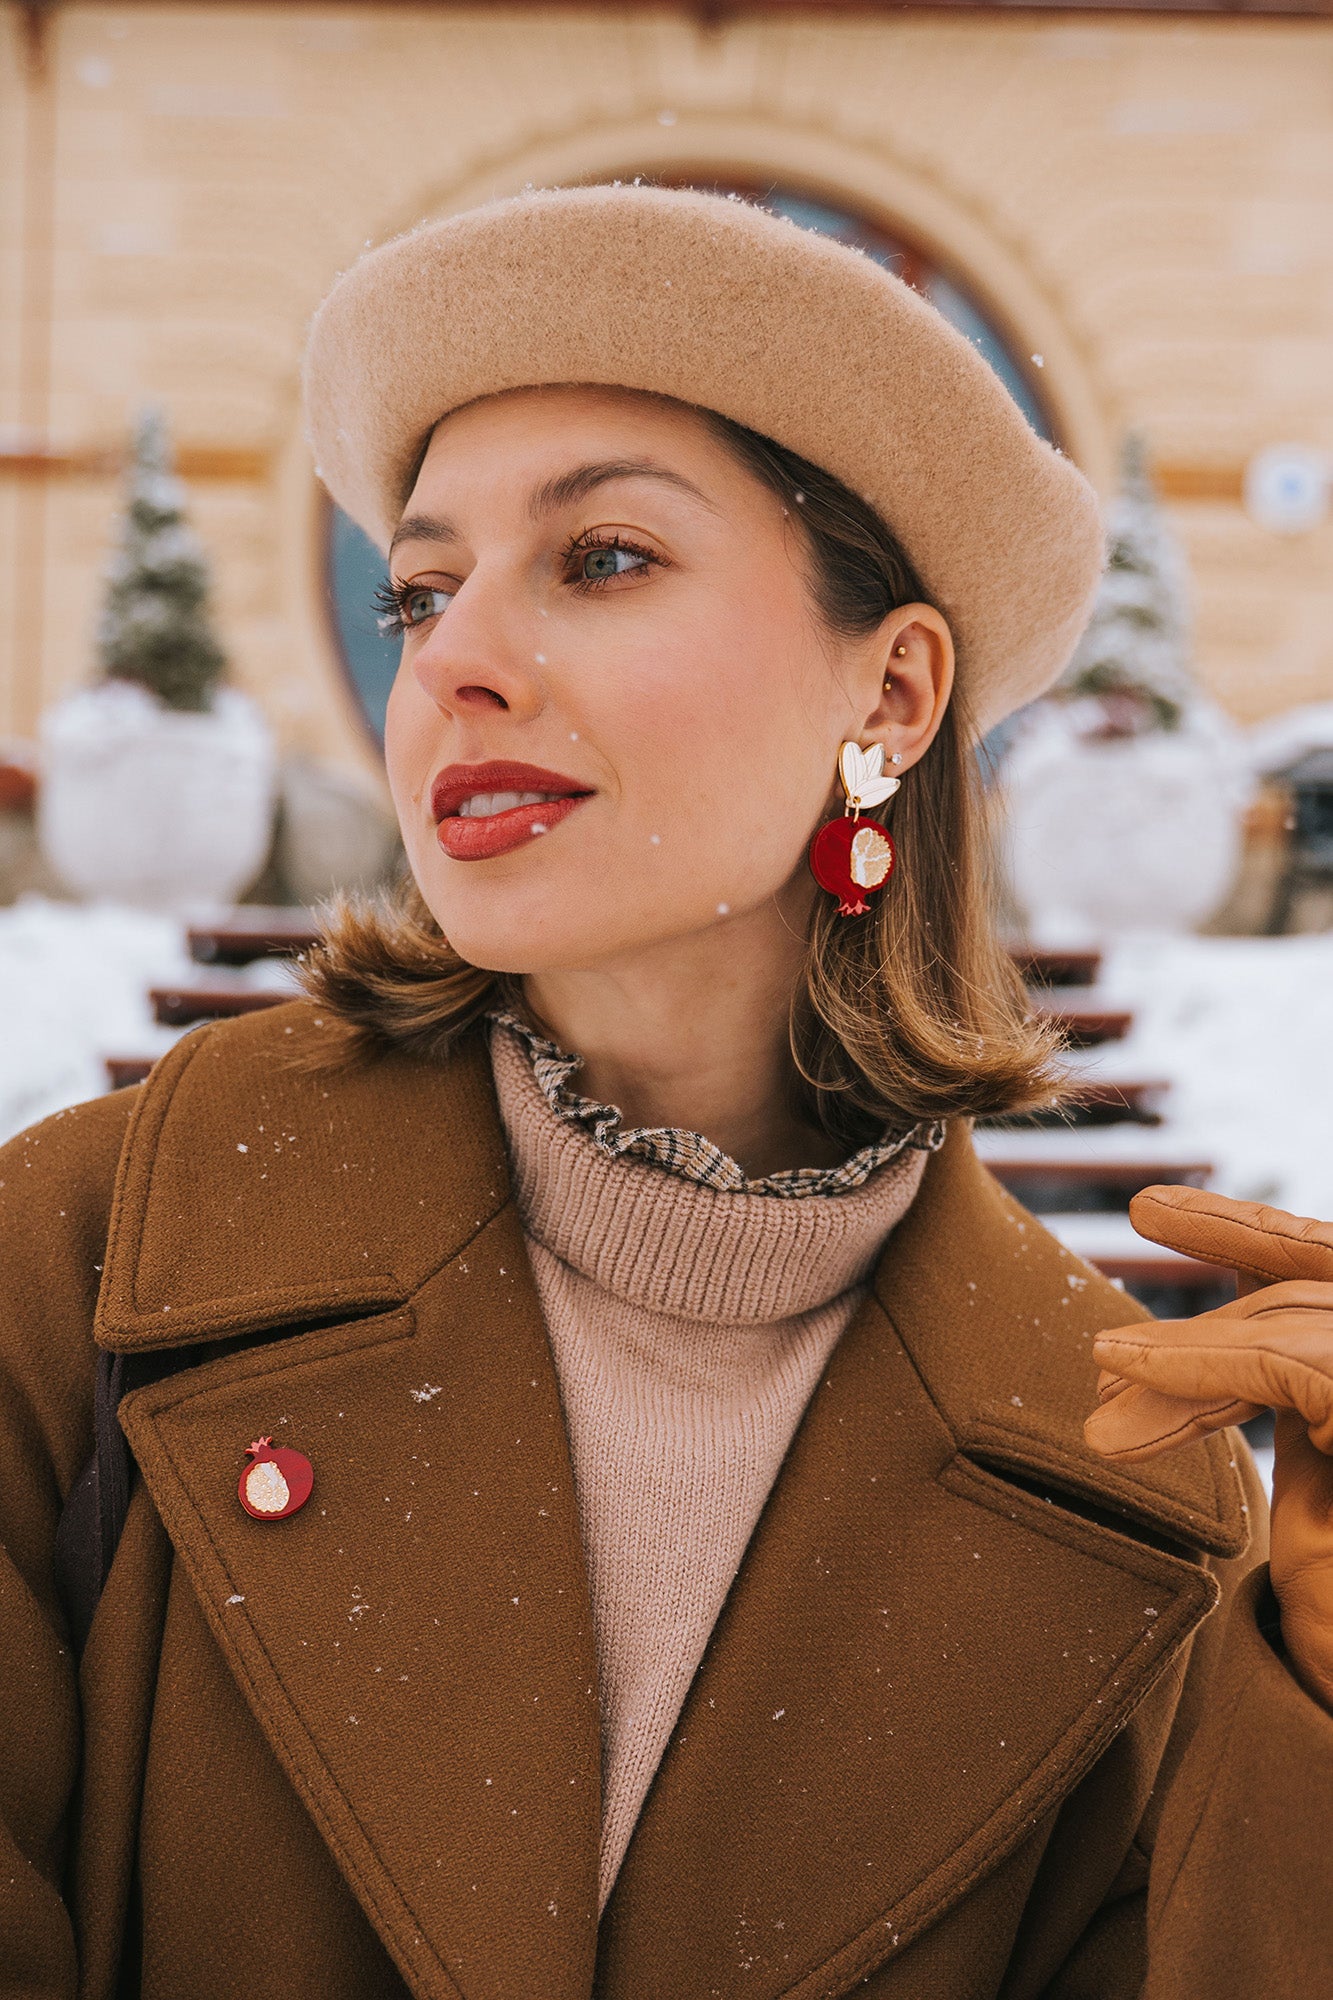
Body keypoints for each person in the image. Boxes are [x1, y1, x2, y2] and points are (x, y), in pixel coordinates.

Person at [1, 184, 1331, 2000]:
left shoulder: (1134, 1498)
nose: (453, 657)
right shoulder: (82, 1266)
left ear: (893, 690)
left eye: (602, 557)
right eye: (420, 586)